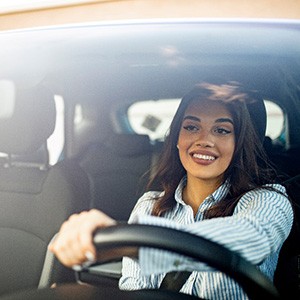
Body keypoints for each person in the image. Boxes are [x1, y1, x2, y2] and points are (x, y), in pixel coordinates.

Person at [50, 81, 293, 299]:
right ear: (176, 138)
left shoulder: (269, 200)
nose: (204, 140)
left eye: (221, 130)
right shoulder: (149, 205)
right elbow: (134, 289)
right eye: (191, 127)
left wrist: (134, 244)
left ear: (239, 143)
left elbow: (253, 237)